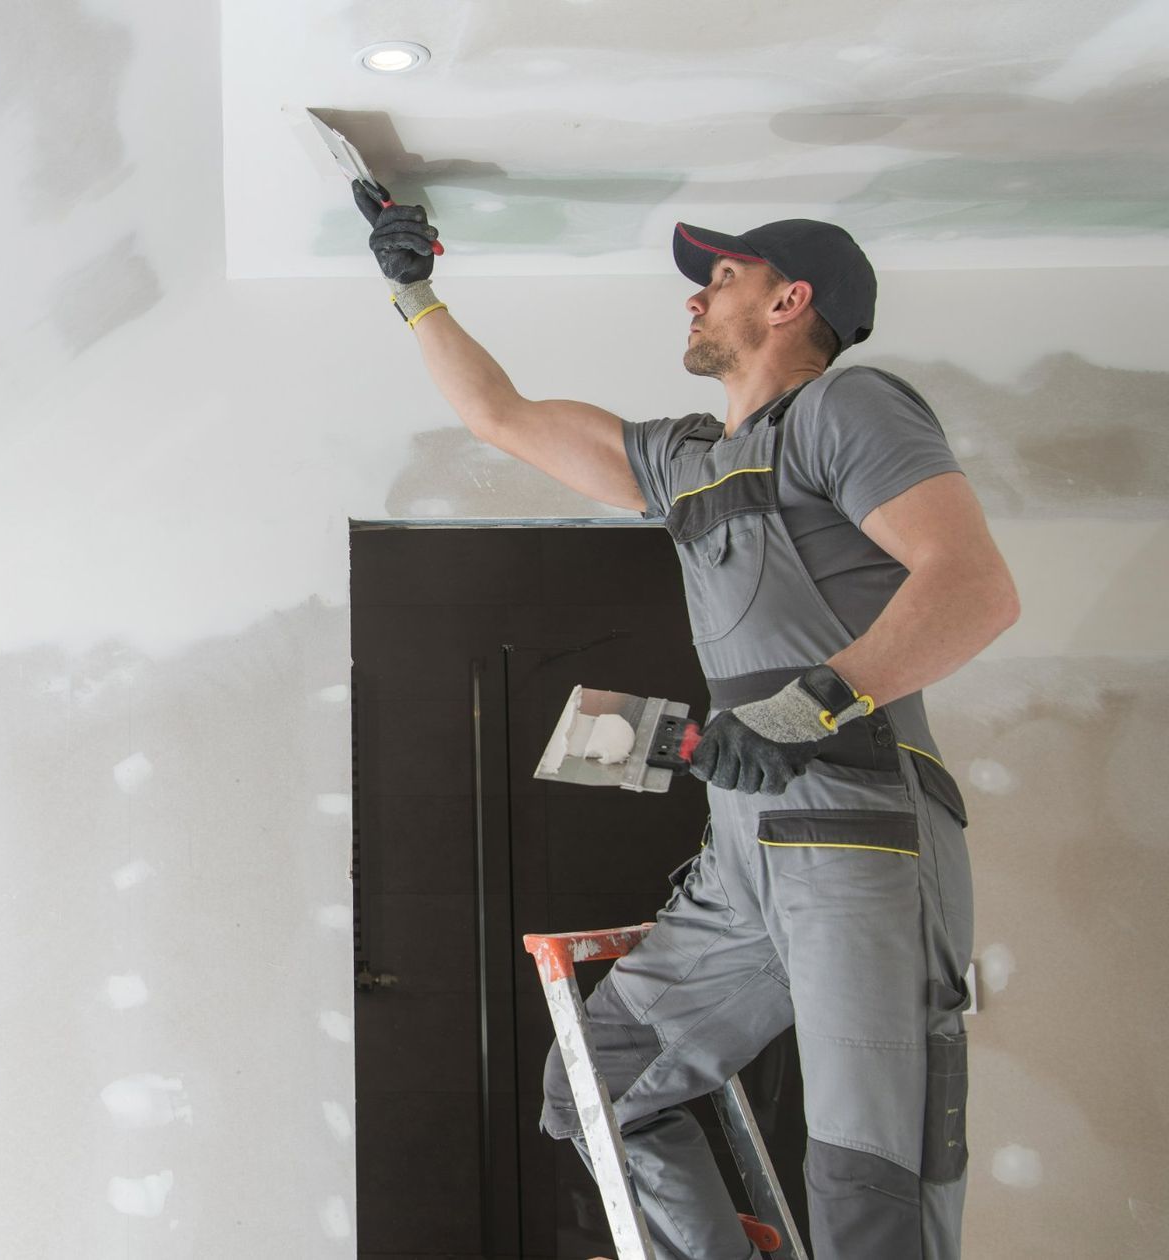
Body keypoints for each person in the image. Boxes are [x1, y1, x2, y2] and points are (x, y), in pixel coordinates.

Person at [356, 183, 1019, 1259]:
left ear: (789, 301)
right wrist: (415, 290)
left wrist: (811, 704)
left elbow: (975, 589)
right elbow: (501, 417)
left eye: (719, 279)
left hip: (859, 835)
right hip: (748, 855)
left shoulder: (847, 412)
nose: (693, 302)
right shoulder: (689, 462)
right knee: (596, 1085)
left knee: (870, 1173)